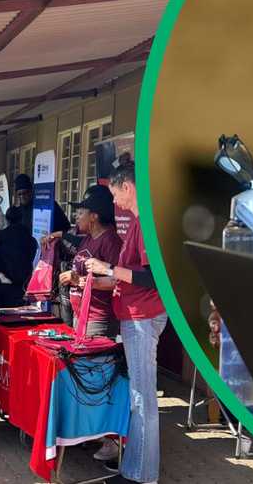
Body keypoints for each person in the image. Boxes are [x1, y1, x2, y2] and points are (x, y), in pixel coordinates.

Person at [85, 161, 166, 483]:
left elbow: (153, 276)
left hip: (142, 317)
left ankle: (142, 476)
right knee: (139, 397)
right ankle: (134, 470)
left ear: (128, 187)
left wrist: (107, 269)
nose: (114, 202)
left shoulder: (146, 220)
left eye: (114, 193)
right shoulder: (139, 220)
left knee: (141, 398)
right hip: (137, 314)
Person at [47, 185, 123, 338]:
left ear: (94, 216)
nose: (76, 216)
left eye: (81, 212)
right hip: (81, 317)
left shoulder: (110, 240)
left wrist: (80, 280)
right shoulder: (88, 238)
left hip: (98, 321)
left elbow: (118, 280)